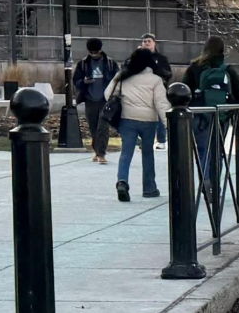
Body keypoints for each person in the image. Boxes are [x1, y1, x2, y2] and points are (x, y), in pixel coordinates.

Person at [104, 48, 170, 201]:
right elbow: (161, 104)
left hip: (127, 119)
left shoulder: (123, 76)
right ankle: (149, 188)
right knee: (148, 154)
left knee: (126, 153)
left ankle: (122, 181)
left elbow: (108, 94)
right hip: (149, 121)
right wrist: (168, 124)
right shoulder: (156, 80)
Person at [183, 36, 239, 181]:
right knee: (218, 151)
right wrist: (229, 110)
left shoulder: (194, 68)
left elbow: (185, 91)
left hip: (199, 116)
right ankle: (215, 185)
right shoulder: (227, 70)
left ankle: (205, 182)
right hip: (221, 116)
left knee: (203, 150)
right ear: (223, 51)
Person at [72, 38, 119, 164]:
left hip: (105, 100)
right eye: (91, 52)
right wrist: (84, 82)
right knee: (93, 128)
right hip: (90, 100)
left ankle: (101, 154)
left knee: (102, 127)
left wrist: (114, 96)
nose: (94, 54)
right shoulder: (83, 64)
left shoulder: (110, 63)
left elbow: (117, 79)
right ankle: (97, 151)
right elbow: (76, 81)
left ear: (100, 50)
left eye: (96, 52)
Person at [139, 33, 172, 149]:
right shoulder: (137, 58)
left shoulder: (161, 59)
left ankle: (161, 140)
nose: (146, 43)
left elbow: (168, 73)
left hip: (158, 90)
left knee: (160, 114)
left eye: (149, 41)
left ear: (154, 43)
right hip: (142, 90)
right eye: (144, 41)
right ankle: (144, 140)